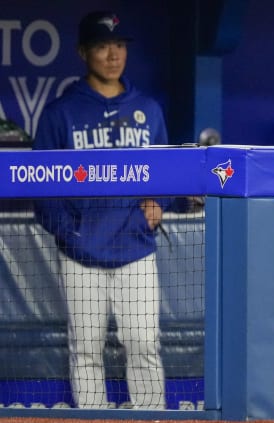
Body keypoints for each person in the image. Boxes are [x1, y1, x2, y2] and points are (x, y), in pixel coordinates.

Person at [32, 11, 175, 409]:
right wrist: (69, 230)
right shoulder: (61, 113)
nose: (113, 55)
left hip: (135, 248)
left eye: (119, 46)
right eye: (101, 46)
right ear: (83, 52)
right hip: (81, 253)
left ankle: (151, 418)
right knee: (87, 350)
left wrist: (157, 201)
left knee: (144, 343)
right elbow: (39, 187)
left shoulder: (147, 108)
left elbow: (167, 173)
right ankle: (93, 419)